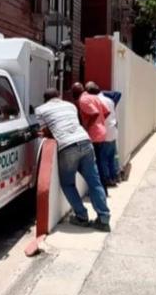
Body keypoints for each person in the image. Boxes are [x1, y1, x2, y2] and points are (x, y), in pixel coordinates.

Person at [36, 88, 111, 231]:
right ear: (59, 96)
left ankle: (82, 216)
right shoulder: (70, 105)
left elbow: (46, 132)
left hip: (67, 147)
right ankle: (104, 218)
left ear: (45, 99)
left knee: (68, 184)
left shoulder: (40, 110)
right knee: (94, 183)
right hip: (85, 141)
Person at [72, 82, 111, 189]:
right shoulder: (94, 97)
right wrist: (100, 123)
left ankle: (98, 189)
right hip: (102, 132)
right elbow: (107, 112)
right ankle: (104, 188)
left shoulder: (83, 100)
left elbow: (94, 114)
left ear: (75, 93)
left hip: (93, 134)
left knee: (94, 164)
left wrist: (86, 127)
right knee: (101, 161)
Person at [95, 86, 122, 186]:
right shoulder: (110, 100)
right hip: (113, 130)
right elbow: (118, 94)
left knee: (103, 158)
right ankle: (114, 177)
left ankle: (107, 179)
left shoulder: (97, 101)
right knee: (111, 157)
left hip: (104, 132)